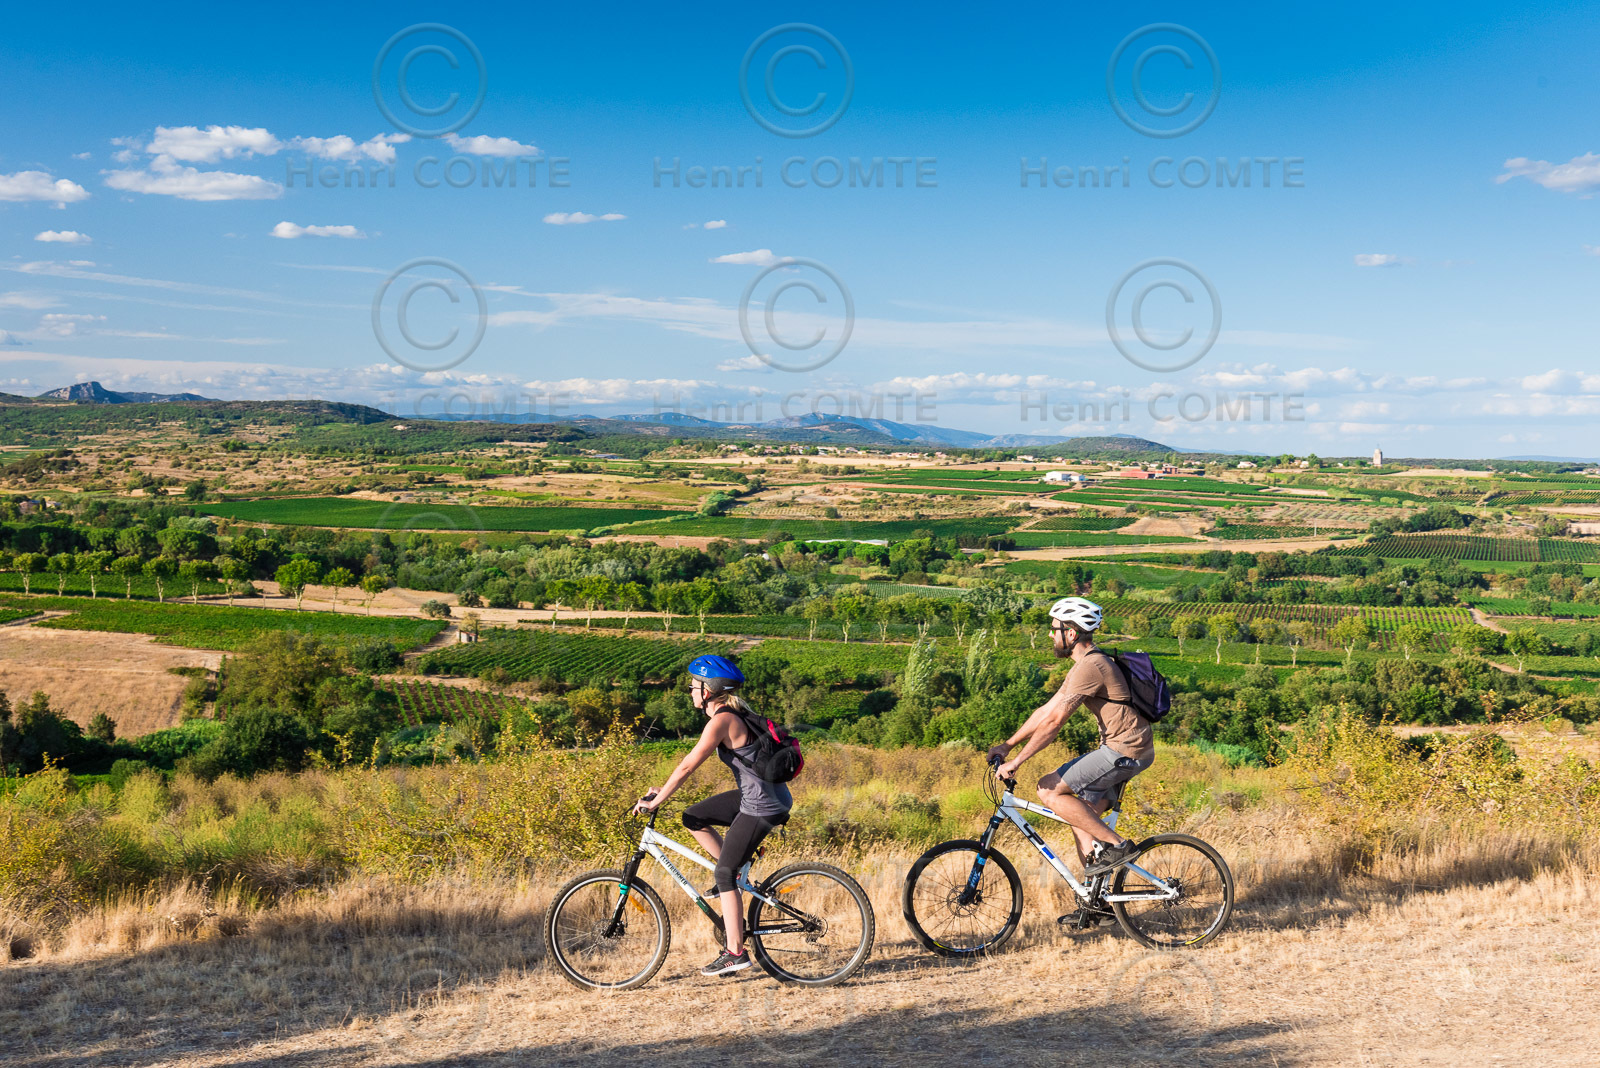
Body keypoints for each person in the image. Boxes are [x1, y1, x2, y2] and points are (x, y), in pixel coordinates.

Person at [987, 597, 1155, 921]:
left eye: (1055, 629)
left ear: (1072, 633)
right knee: (1081, 819)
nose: (1051, 635)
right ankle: (1096, 903)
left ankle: (1119, 847)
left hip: (1124, 751)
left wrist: (1016, 762)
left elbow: (1055, 722)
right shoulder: (1085, 665)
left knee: (1048, 789)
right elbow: (1046, 710)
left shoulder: (1092, 665)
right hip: (1127, 749)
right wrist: (1007, 745)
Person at [634, 653, 792, 976]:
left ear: (708, 690)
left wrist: (656, 801)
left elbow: (687, 766)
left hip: (762, 804)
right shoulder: (733, 713)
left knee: (723, 874)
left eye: (694, 686)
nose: (690, 690)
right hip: (759, 796)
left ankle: (736, 952)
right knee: (693, 817)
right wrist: (661, 792)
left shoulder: (721, 721)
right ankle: (734, 872)